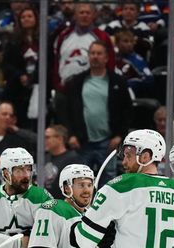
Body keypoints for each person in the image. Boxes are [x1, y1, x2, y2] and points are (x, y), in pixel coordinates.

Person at [64, 40, 132, 174]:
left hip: (108, 142)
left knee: (108, 181)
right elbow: (68, 111)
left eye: (99, 53)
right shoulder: (76, 82)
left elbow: (127, 110)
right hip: (82, 142)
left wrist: (119, 135)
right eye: (92, 53)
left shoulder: (117, 82)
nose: (95, 56)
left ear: (106, 57)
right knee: (80, 179)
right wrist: (71, 135)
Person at [52, 2, 115, 91]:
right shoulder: (63, 36)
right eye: (81, 12)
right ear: (75, 15)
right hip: (64, 89)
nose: (84, 15)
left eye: (88, 13)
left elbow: (110, 62)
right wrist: (57, 85)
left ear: (94, 15)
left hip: (92, 89)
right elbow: (56, 62)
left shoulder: (102, 37)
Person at [43, 125, 78, 199]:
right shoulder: (43, 157)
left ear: (59, 139)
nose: (44, 140)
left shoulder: (72, 159)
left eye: (47, 137)